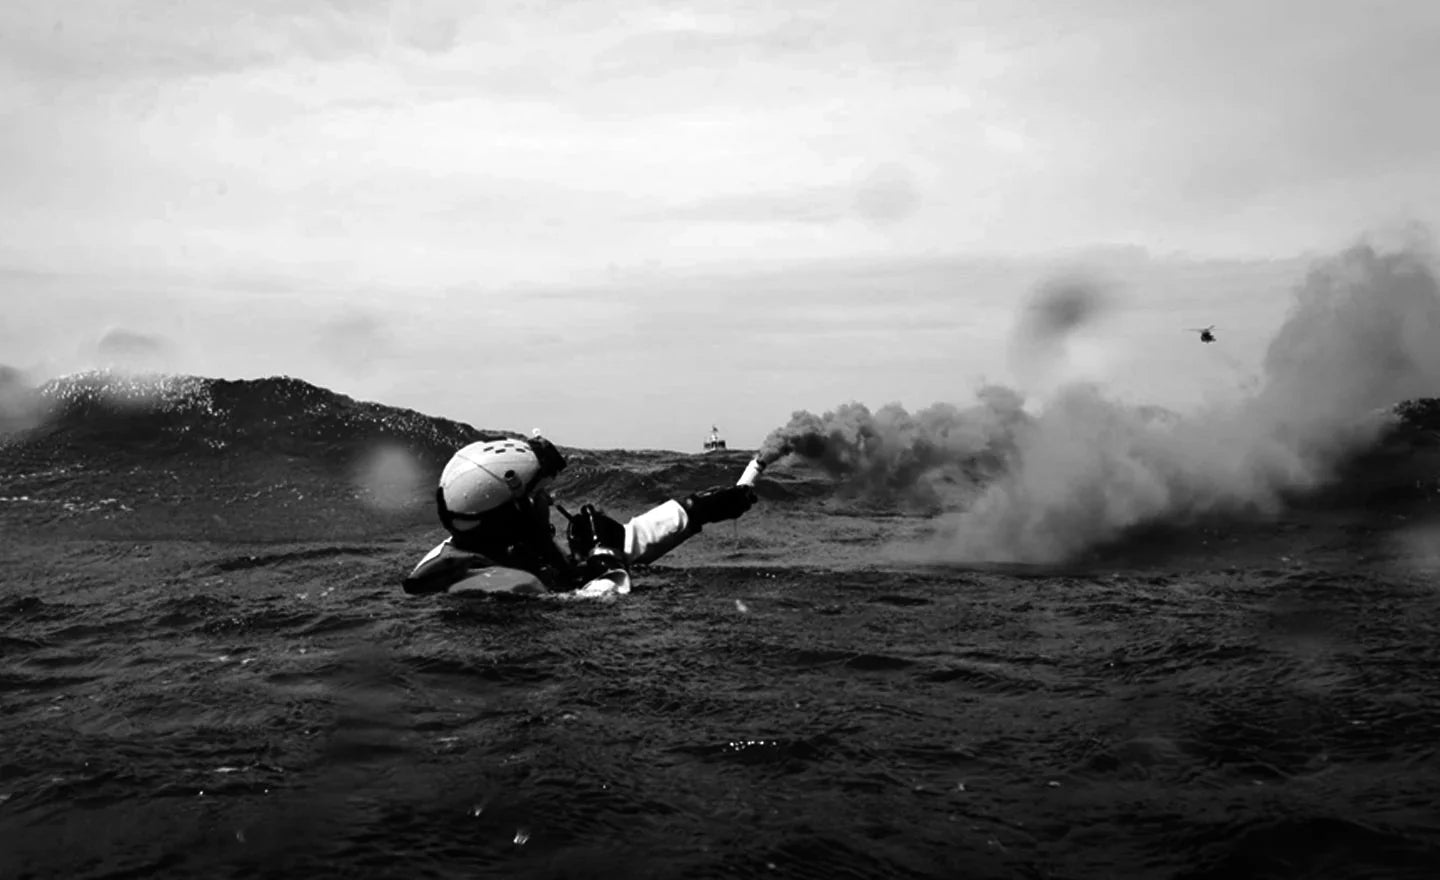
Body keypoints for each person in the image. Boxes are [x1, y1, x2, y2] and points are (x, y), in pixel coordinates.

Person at [401, 433, 758, 599]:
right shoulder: (507, 584)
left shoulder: (482, 543)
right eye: (539, 494)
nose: (549, 500)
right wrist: (604, 558)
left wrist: (696, 510)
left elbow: (608, 556)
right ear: (514, 513)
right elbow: (599, 609)